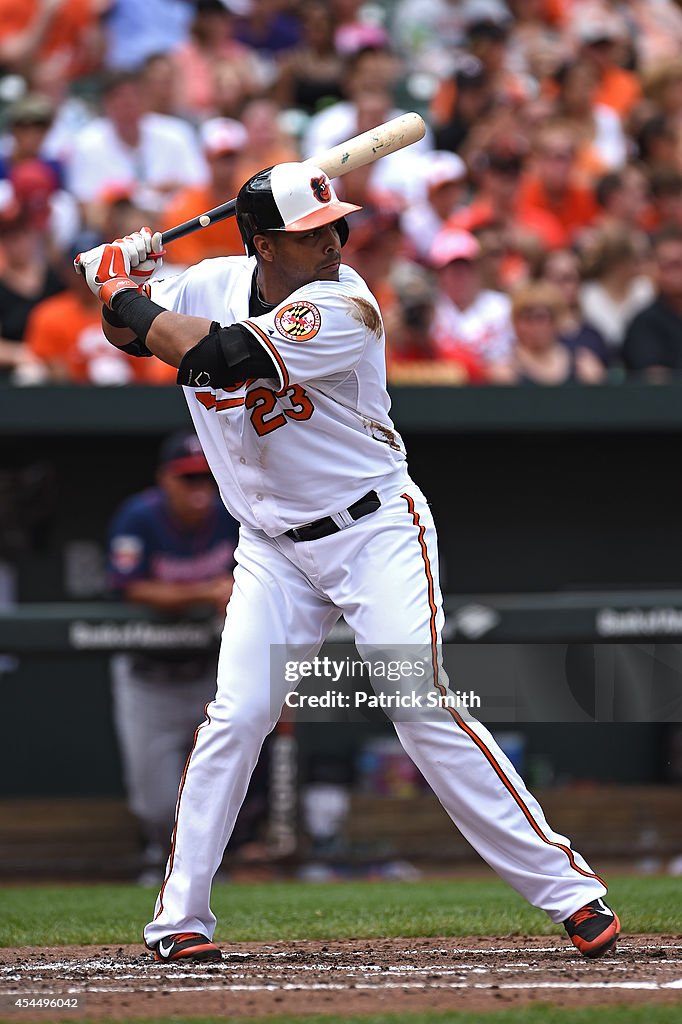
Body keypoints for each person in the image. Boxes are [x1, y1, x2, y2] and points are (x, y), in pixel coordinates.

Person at [75, 159, 620, 963]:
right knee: (238, 715)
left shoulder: (346, 302)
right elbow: (131, 337)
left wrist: (120, 289)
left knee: (419, 705)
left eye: (336, 226)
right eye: (309, 233)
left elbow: (216, 360)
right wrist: (113, 283)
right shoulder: (209, 281)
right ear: (261, 243)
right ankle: (180, 918)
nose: (333, 240)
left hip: (373, 530)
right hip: (270, 546)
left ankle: (569, 892)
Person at [107, 429, 239, 884]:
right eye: (188, 480)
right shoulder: (140, 516)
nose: (200, 491)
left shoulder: (231, 513)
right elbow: (131, 586)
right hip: (149, 678)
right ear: (165, 479)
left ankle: (198, 871)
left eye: (206, 478)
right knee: (157, 802)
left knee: (214, 782)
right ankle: (159, 856)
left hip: (208, 672)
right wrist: (206, 591)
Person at [622, 227, 682, 380]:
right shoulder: (644, 323)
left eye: (679, 264)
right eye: (668, 266)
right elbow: (654, 380)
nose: (676, 273)